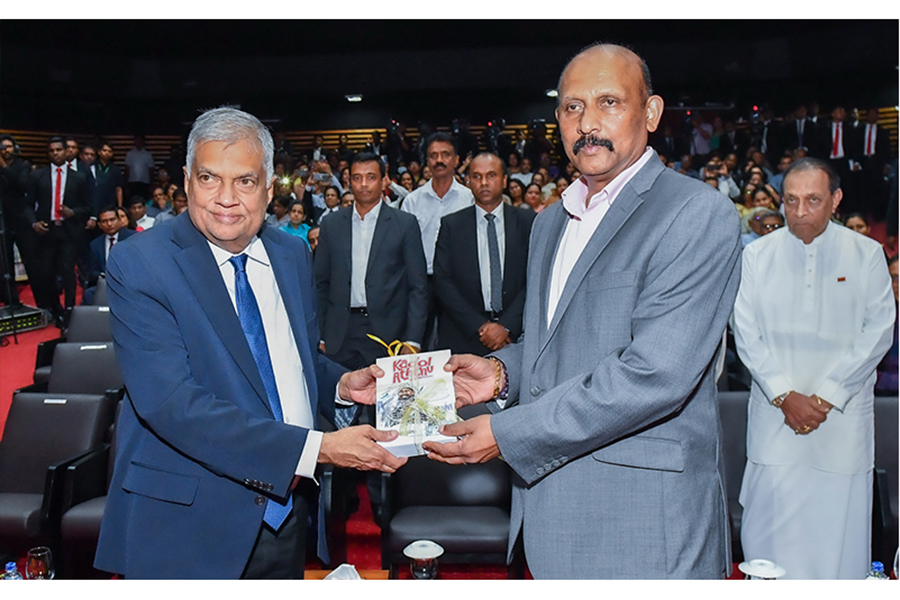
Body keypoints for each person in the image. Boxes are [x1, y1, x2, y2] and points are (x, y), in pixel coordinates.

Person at [423, 43, 741, 579]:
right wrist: (504, 373)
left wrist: (508, 434)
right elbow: (559, 344)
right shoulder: (551, 222)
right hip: (550, 510)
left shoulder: (694, 213)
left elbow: (655, 373)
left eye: (609, 102)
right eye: (572, 107)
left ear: (652, 113)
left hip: (643, 522)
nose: (587, 123)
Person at [94, 107, 407, 579]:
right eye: (208, 178)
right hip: (189, 523)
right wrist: (317, 449)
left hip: (285, 513)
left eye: (244, 181)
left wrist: (342, 385)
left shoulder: (291, 253)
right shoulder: (141, 264)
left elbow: (290, 362)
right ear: (185, 179)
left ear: (269, 184)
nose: (226, 199)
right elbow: (173, 405)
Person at [732, 157, 895, 579]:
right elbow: (745, 331)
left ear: (836, 200)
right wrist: (785, 396)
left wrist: (826, 397)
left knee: (839, 542)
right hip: (774, 422)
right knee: (769, 540)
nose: (800, 212)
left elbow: (878, 331)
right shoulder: (756, 257)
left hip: (840, 425)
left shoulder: (866, 254)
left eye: (813, 200)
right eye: (791, 200)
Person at [433, 153, 535, 356]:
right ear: (468, 181)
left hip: (518, 335)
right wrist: (481, 327)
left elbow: (535, 279)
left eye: (491, 175)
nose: (484, 182)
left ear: (504, 180)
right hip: (464, 335)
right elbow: (443, 282)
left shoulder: (528, 222)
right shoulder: (451, 225)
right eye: (477, 177)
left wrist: (506, 326)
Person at [400, 132, 474, 348]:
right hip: (421, 281)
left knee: (455, 341)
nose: (439, 160)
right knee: (417, 340)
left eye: (445, 155)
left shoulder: (469, 199)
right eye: (433, 155)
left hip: (457, 281)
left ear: (456, 160)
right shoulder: (412, 201)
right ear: (427, 161)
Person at [26, 136, 92, 327]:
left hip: (70, 231)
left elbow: (88, 206)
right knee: (46, 273)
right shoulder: (38, 176)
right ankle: (56, 309)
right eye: (51, 151)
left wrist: (73, 213)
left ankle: (70, 312)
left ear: (66, 152)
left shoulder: (79, 177)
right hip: (46, 231)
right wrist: (34, 223)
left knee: (68, 272)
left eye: (58, 150)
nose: (55, 153)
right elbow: (28, 205)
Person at [82, 206, 136, 305]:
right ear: (99, 225)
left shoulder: (133, 238)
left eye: (112, 220)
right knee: (89, 294)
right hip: (106, 285)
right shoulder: (95, 244)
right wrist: (101, 276)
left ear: (120, 220)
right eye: (104, 221)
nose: (109, 224)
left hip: (129, 284)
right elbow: (91, 271)